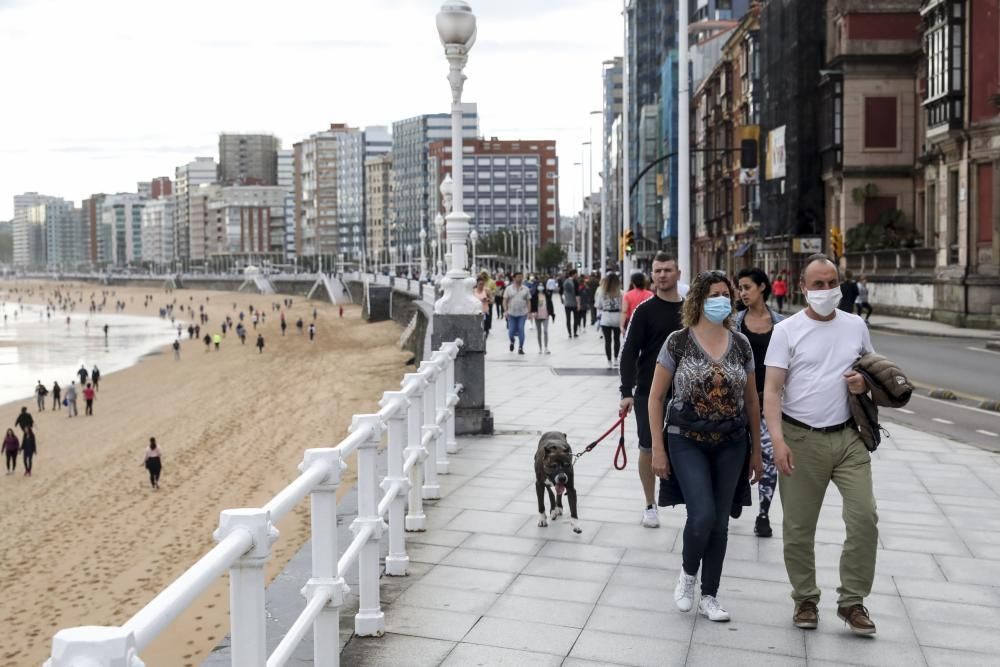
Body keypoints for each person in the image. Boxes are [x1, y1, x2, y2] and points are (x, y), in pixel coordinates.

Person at [763, 253, 878, 636]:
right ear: (803, 288)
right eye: (818, 284)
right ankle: (805, 599)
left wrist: (864, 384)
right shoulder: (787, 331)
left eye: (832, 283)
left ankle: (852, 602)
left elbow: (870, 373)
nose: (827, 290)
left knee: (864, 518)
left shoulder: (856, 325)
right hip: (800, 438)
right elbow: (772, 390)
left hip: (848, 438)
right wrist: (777, 441)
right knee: (799, 527)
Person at [648, 270, 763, 622]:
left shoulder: (741, 343)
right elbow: (655, 398)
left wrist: (757, 450)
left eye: (726, 294)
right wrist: (657, 448)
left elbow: (753, 401)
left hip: (731, 441)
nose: (722, 300)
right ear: (698, 299)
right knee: (702, 515)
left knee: (721, 523)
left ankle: (710, 595)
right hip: (686, 440)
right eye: (714, 294)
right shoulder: (678, 342)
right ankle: (687, 575)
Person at [619, 253, 685, 528]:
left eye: (668, 270)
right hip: (648, 393)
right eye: (657, 271)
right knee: (648, 447)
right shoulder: (644, 311)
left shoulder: (691, 310)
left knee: (686, 448)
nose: (662, 275)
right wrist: (626, 391)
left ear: (678, 273)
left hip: (686, 393)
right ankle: (650, 504)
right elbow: (629, 351)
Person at [735, 267, 784, 538]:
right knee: (737, 455)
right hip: (737, 403)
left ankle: (763, 513)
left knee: (768, 457)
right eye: (739, 288)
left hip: (769, 404)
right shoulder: (734, 323)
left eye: (747, 287)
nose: (742, 293)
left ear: (762, 287)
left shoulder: (781, 324)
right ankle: (735, 496)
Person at [596, 273, 623, 368]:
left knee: (608, 341)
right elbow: (623, 306)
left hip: (606, 318)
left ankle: (609, 361)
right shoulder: (621, 293)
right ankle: (616, 359)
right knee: (617, 340)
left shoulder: (602, 293)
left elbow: (598, 305)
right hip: (617, 317)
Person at [503, 272, 531, 355]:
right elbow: (505, 300)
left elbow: (528, 301)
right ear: (514, 278)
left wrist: (529, 312)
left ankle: (520, 347)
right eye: (518, 277)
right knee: (511, 332)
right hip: (511, 313)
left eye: (521, 277)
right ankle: (512, 341)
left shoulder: (525, 289)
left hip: (522, 313)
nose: (520, 279)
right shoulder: (508, 289)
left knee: (521, 330)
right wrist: (505, 310)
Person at [529, 283, 550, 354]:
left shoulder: (547, 295)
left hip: (545, 315)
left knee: (545, 331)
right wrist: (532, 312)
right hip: (537, 315)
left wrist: (551, 313)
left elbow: (550, 304)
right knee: (539, 332)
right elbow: (531, 305)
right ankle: (540, 348)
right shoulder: (534, 296)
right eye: (539, 286)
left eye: (542, 285)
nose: (540, 287)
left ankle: (546, 348)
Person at [562, 269, 581, 337]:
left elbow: (562, 292)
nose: (577, 275)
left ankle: (569, 333)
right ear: (574, 274)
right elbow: (577, 295)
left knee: (568, 319)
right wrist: (578, 304)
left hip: (567, 303)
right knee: (576, 318)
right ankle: (575, 333)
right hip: (574, 303)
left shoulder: (565, 282)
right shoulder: (575, 282)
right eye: (576, 274)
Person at [474, 275, 493, 340]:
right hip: (476, 313)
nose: (481, 286)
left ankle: (483, 345)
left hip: (485, 312)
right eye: (480, 284)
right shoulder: (473, 291)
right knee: (478, 330)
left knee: (485, 330)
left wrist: (487, 300)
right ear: (477, 284)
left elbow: (492, 301)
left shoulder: (486, 290)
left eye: (483, 284)